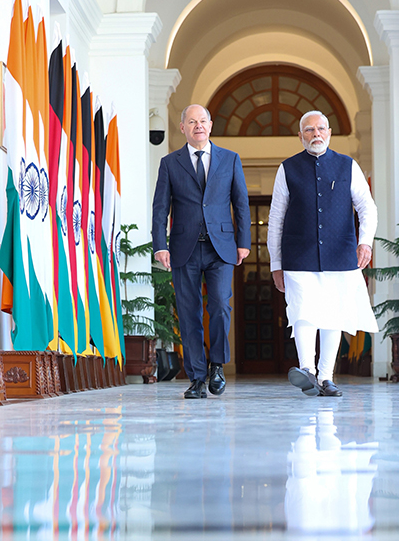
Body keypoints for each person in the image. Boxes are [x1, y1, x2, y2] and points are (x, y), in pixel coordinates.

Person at [268, 110, 378, 397]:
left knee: (333, 316)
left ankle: (327, 377)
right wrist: (275, 263)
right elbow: (276, 218)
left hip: (340, 254)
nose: (315, 134)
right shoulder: (287, 168)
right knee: (303, 313)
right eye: (309, 130)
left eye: (320, 129)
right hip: (298, 255)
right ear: (300, 135)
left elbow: (367, 207)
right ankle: (307, 371)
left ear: (329, 133)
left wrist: (365, 242)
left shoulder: (347, 166)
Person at [152, 104, 250, 399]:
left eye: (203, 120)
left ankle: (216, 365)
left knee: (220, 305)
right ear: (182, 127)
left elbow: (241, 203)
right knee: (188, 312)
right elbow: (160, 208)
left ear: (210, 125)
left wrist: (243, 242)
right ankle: (196, 377)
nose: (198, 126)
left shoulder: (230, 159)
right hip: (184, 247)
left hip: (221, 248)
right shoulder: (170, 163)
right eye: (192, 121)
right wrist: (160, 245)